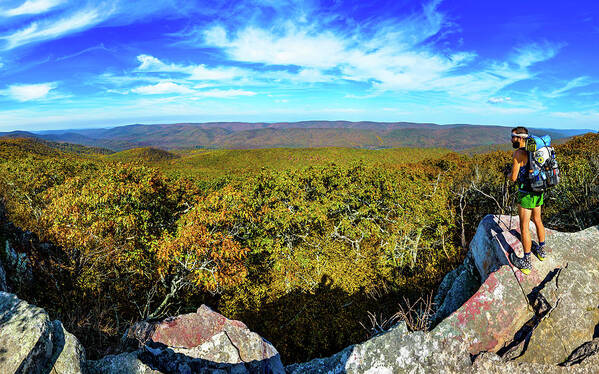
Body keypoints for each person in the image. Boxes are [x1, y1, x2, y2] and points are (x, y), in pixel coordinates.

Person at [508, 126, 546, 274]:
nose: (511, 139)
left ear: (520, 138)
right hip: (539, 191)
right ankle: (542, 252)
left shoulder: (518, 153)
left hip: (526, 194)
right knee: (538, 220)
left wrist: (509, 173)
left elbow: (513, 178)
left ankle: (526, 262)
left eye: (513, 136)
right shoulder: (536, 150)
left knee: (524, 228)